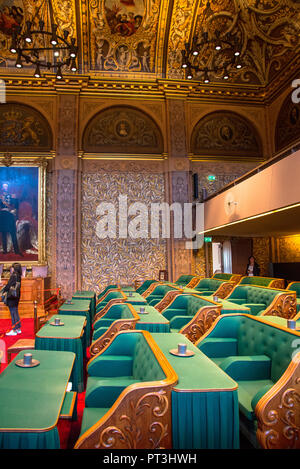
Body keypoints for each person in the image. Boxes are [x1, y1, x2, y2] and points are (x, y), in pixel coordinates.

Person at [2, 263, 22, 336]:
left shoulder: (14, 275)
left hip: (11, 296)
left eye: (12, 267)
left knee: (13, 313)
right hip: (16, 296)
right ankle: (18, 329)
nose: (12, 269)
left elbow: (8, 286)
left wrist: (3, 288)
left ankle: (14, 330)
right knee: (15, 312)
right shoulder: (19, 275)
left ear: (14, 268)